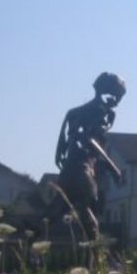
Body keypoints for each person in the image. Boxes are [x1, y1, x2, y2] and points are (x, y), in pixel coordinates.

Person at [53, 72, 126, 241]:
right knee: (90, 216)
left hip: (70, 168)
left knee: (60, 209)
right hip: (83, 168)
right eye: (117, 96)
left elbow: (60, 151)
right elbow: (89, 138)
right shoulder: (103, 113)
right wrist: (113, 167)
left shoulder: (73, 112)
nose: (117, 101)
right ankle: (94, 259)